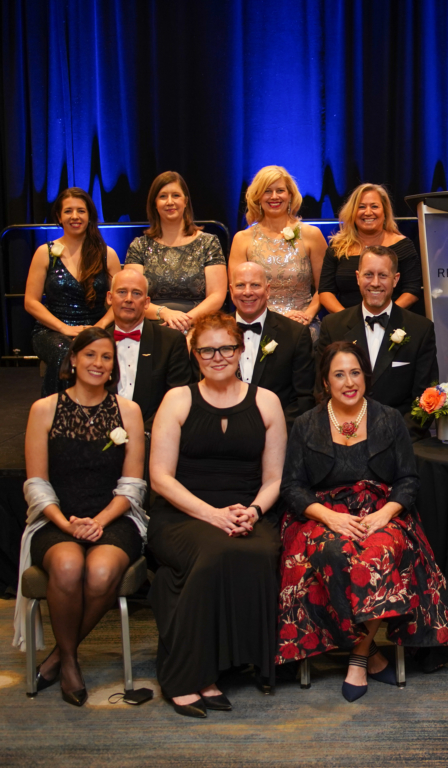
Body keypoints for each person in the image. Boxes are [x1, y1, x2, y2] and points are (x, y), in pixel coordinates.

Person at [277, 341, 448, 701]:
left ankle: (358, 656)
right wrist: (330, 518)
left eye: (355, 373)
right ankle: (372, 653)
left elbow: (408, 480)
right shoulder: (306, 424)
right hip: (323, 514)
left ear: (365, 377)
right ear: (325, 381)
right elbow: (291, 486)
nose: (349, 382)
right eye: (339, 374)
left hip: (382, 511)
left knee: (377, 554)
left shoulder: (388, 418)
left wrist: (385, 513)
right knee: (333, 553)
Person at [148, 313, 287, 718]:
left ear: (241, 350)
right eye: (207, 349)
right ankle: (189, 676)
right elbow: (159, 478)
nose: (218, 356)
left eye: (226, 347)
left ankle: (232, 663)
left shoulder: (266, 401)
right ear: (195, 354)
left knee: (263, 553)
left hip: (246, 511)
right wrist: (212, 515)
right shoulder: (177, 399)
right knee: (212, 555)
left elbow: (275, 477)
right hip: (182, 514)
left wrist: (255, 511)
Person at [14, 328, 147, 707]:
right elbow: (36, 484)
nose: (98, 363)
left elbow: (133, 485)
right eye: (90, 355)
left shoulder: (129, 412)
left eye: (106, 357)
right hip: (55, 519)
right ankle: (70, 661)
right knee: (69, 565)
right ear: (73, 359)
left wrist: (101, 521)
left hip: (115, 517)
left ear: (113, 366)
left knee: (103, 571)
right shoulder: (44, 409)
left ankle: (59, 657)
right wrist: (66, 523)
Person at [316, 245, 438, 430]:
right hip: (342, 437)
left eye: (383, 275)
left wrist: (394, 437)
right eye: (368, 275)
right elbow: (320, 389)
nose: (375, 283)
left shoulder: (420, 329)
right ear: (357, 277)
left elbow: (424, 398)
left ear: (395, 279)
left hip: (400, 439)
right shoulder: (333, 326)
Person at [24, 188, 121, 396]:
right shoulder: (45, 253)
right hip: (51, 330)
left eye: (81, 211)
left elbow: (119, 301)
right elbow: (30, 302)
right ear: (59, 216)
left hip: (96, 326)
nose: (75, 216)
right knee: (66, 353)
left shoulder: (107, 254)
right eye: (68, 211)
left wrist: (100, 326)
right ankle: (58, 418)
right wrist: (63, 328)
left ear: (89, 216)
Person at [229, 165, 327, 338]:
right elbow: (238, 291)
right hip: (258, 321)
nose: (274, 197)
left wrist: (308, 315)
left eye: (280, 190)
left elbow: (325, 287)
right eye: (267, 191)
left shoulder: (312, 235)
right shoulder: (242, 239)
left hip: (303, 323)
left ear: (290, 195)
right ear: (258, 197)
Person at [125, 171, 227, 334]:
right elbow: (131, 297)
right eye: (163, 196)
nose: (170, 202)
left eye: (176, 195)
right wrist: (164, 313)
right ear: (155, 203)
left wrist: (184, 322)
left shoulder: (209, 243)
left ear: (185, 201)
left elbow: (217, 296)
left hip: (198, 326)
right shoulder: (139, 246)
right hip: (153, 325)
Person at [230, 261, 315, 426]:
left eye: (255, 285)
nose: (247, 292)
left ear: (268, 290)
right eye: (241, 285)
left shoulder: (295, 334)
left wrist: (276, 433)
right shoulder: (214, 333)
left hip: (277, 433)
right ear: (232, 290)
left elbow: (303, 398)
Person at [106, 269, 193, 427]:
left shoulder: (171, 342)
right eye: (122, 292)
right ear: (110, 298)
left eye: (136, 293)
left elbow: (178, 400)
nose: (128, 299)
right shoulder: (96, 343)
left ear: (146, 303)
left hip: (154, 435)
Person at [318, 183, 422, 315]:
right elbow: (325, 291)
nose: (368, 212)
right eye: (361, 207)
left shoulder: (403, 245)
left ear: (384, 211)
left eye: (374, 206)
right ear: (353, 212)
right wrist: (348, 320)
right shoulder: (337, 247)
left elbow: (412, 290)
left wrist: (385, 316)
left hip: (393, 323)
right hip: (346, 324)